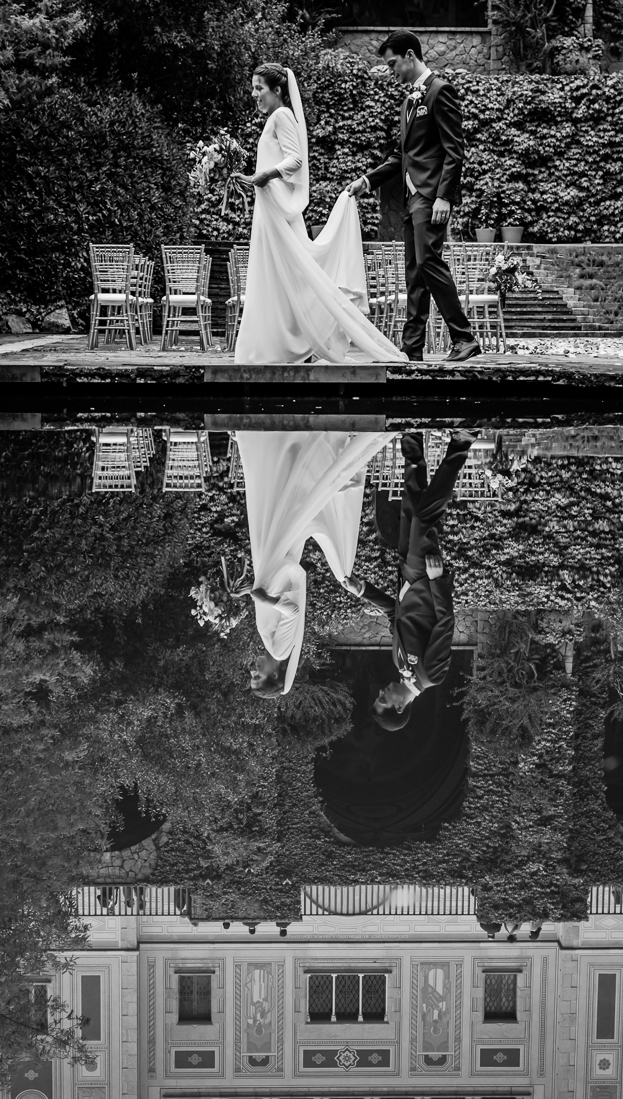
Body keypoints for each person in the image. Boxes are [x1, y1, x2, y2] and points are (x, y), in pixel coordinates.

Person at [231, 64, 407, 365]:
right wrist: (251, 178)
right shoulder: (273, 118)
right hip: (269, 210)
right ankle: (277, 345)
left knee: (289, 275)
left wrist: (265, 176)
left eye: (259, 88)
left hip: (277, 212)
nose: (254, 94)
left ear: (277, 91)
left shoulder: (282, 116)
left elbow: (295, 159)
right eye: (253, 87)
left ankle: (293, 344)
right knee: (276, 277)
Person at [343, 31, 480, 362]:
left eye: (393, 63)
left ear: (409, 55)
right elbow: (400, 157)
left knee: (429, 261)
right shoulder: (408, 102)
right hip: (411, 198)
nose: (391, 71)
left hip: (431, 197)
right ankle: (412, 348)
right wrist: (366, 180)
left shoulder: (440, 91)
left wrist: (444, 197)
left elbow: (454, 150)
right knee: (414, 272)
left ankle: (463, 338)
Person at [238, 430, 396, 696]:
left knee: (285, 503)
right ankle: (294, 448)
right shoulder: (280, 650)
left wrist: (248, 593)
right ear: (275, 673)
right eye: (258, 676)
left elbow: (271, 600)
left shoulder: (269, 643)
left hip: (272, 569)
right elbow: (293, 612)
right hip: (278, 565)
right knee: (288, 506)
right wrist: (265, 600)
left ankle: (294, 449)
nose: (253, 670)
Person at [340, 431, 471, 727]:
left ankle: (412, 434)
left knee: (411, 505)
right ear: (399, 707)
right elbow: (445, 622)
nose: (381, 691)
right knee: (425, 520)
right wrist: (437, 581)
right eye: (383, 698)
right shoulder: (430, 676)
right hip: (425, 576)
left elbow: (393, 612)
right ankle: (462, 442)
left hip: (405, 572)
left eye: (378, 695)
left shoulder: (399, 664)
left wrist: (362, 590)